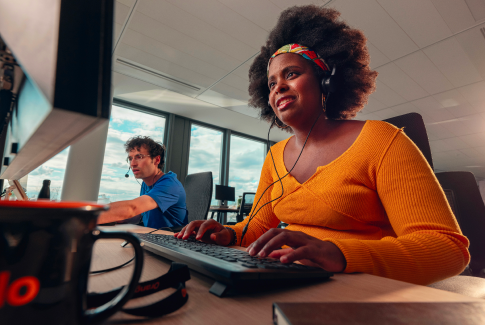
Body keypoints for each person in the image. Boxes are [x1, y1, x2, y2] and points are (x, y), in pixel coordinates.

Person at [175, 5, 470, 285]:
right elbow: (256, 229)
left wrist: (340, 253)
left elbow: (447, 248)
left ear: (326, 80)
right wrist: (225, 233)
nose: (278, 87)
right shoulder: (275, 155)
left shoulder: (383, 140)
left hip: (361, 289)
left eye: (291, 73)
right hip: (287, 280)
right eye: (271, 83)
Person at [98, 136, 188, 229]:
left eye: (139, 157)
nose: (132, 164)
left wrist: (88, 216)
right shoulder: (146, 183)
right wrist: (121, 217)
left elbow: (132, 208)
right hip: (151, 235)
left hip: (170, 239)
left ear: (157, 160)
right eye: (130, 159)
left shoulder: (170, 185)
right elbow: (141, 214)